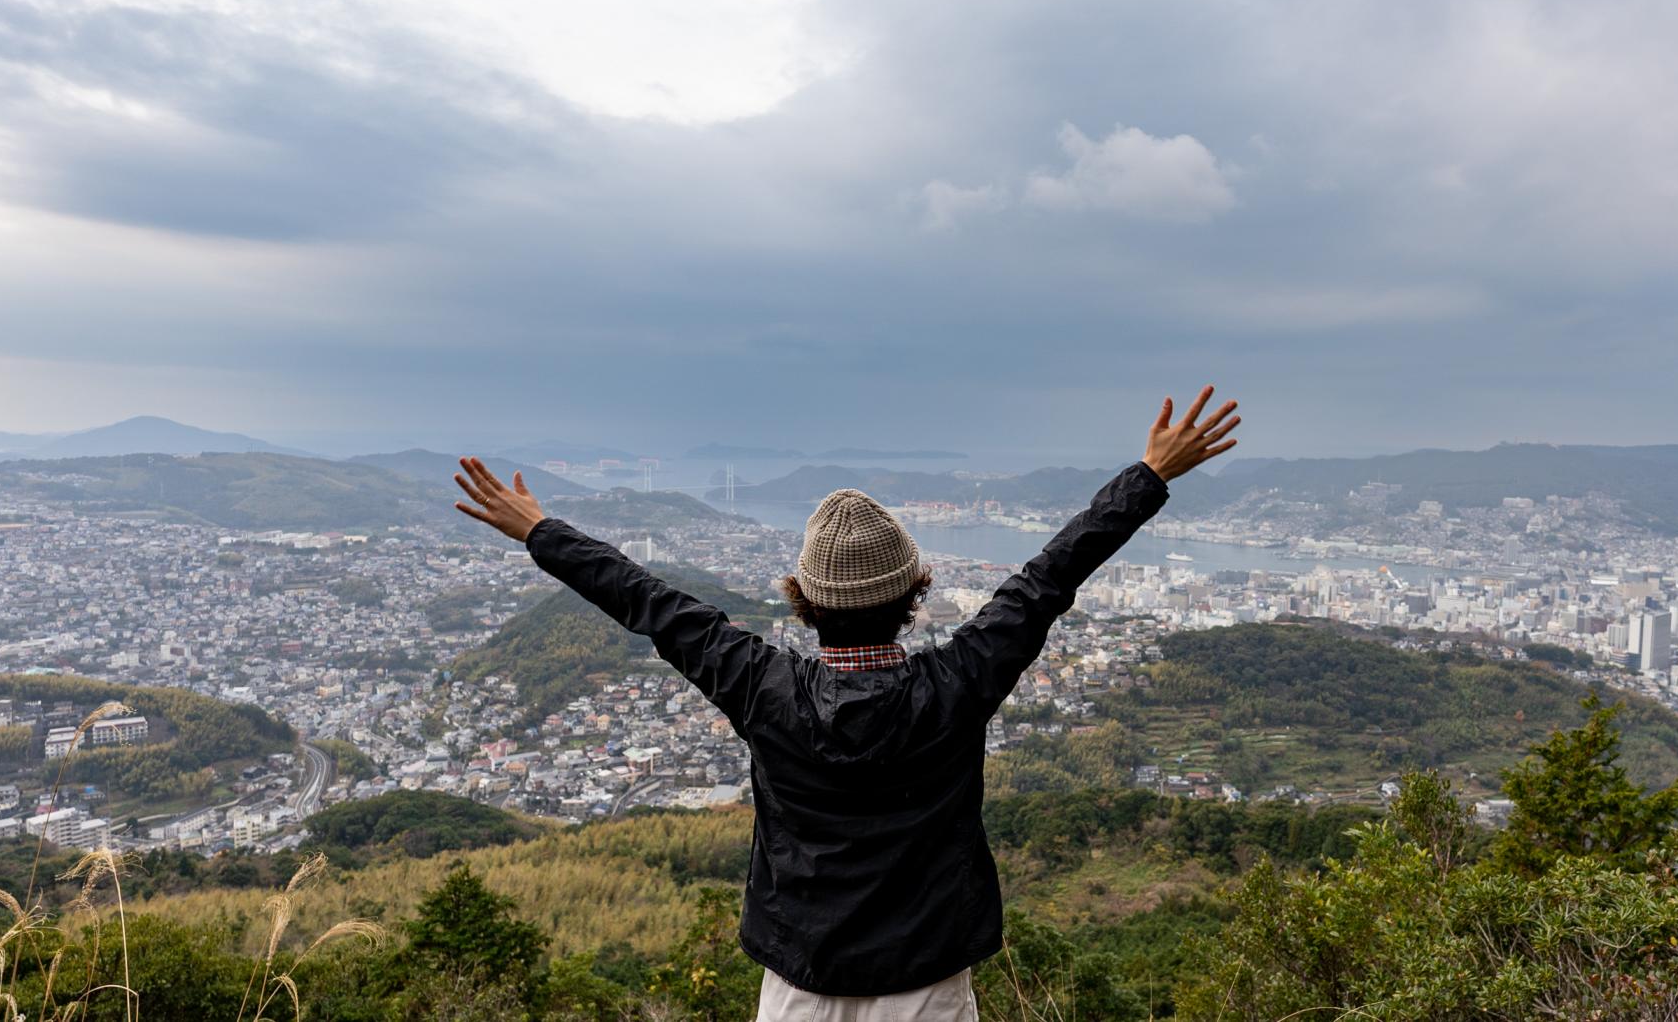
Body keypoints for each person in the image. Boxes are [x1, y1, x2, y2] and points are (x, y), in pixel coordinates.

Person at [453, 387, 1239, 1020]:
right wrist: (1148, 476)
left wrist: (540, 529)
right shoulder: (955, 685)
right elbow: (1047, 578)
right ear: (913, 591)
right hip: (927, 985)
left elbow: (646, 599)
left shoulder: (763, 688)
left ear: (802, 597)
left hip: (802, 983)